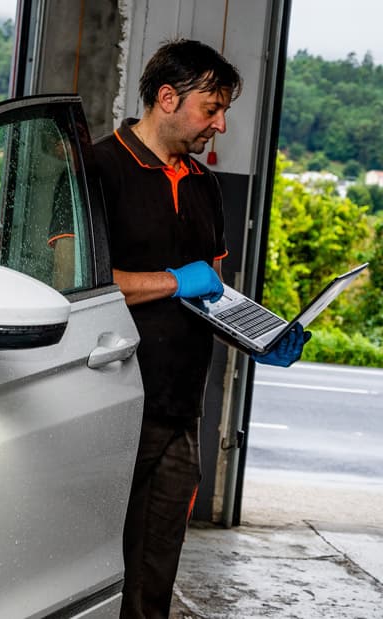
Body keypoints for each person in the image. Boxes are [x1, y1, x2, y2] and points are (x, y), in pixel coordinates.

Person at [93, 39, 310, 619]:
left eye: (224, 111)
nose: (219, 124)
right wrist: (170, 280)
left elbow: (212, 289)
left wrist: (258, 334)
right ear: (167, 98)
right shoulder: (98, 168)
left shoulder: (203, 184)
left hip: (179, 406)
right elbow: (78, 288)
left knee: (158, 561)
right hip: (108, 401)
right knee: (99, 555)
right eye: (210, 109)